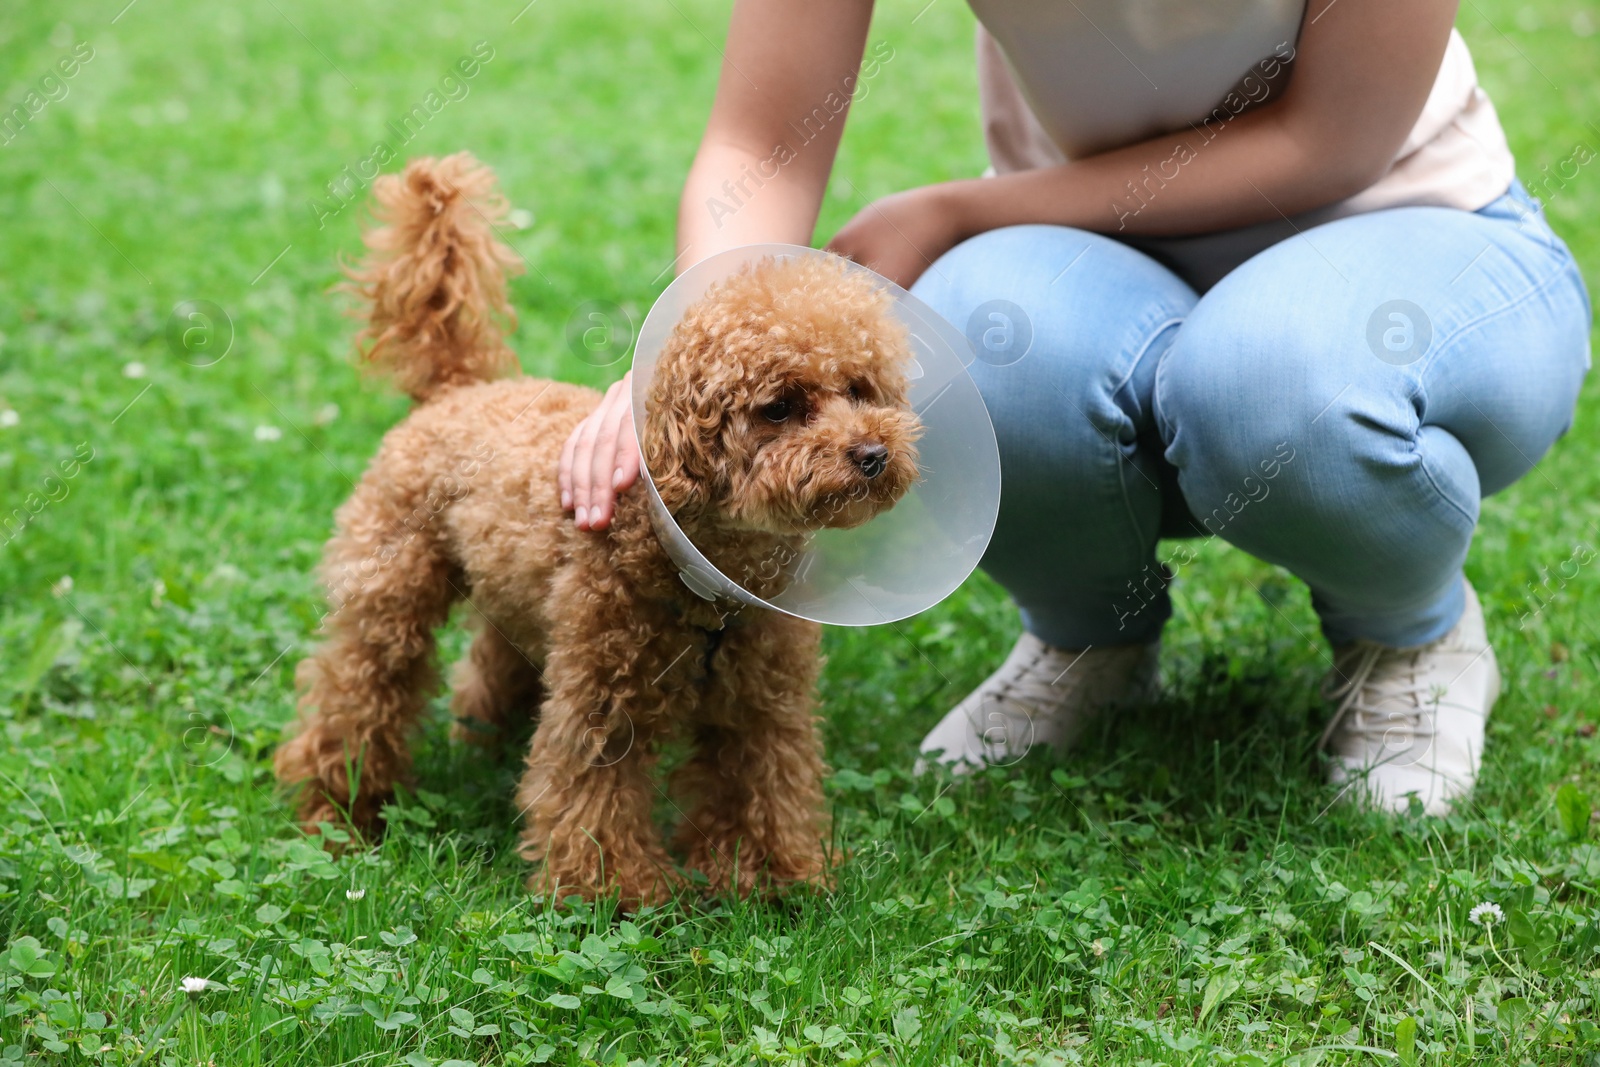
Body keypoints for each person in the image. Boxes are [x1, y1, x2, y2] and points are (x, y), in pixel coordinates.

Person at [557, 0, 1592, 814]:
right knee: (976, 334)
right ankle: (1090, 636)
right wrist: (678, 355)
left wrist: (961, 208)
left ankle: (1408, 634)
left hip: (1413, 226)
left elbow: (1330, 140)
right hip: (1101, 241)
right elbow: (761, 136)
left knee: (1272, 382)